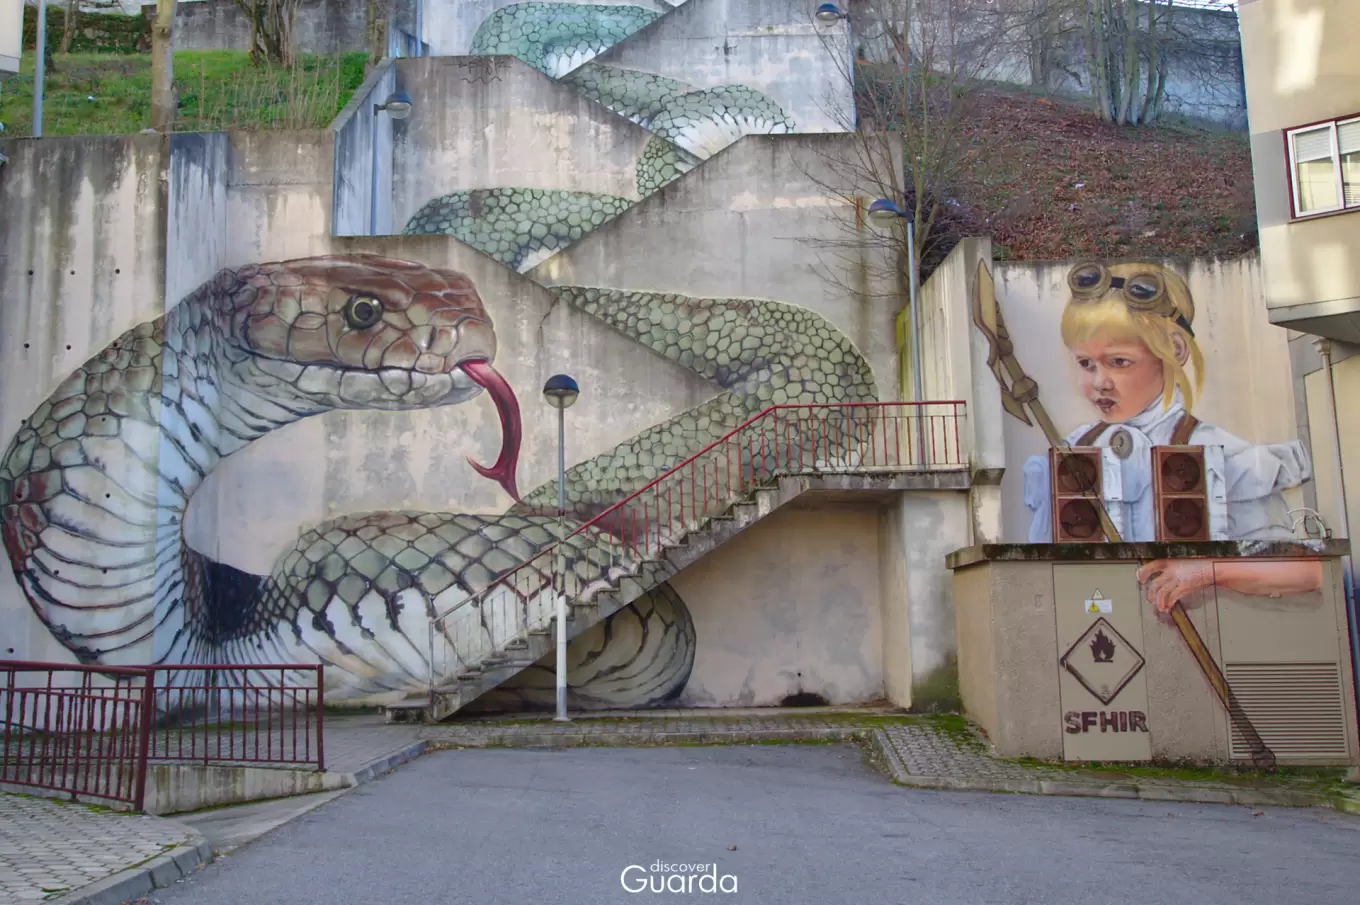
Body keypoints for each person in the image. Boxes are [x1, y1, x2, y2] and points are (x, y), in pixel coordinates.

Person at [1022, 261, 1322, 609]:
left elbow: (1305, 571)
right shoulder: (1069, 455)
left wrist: (1210, 571)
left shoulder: (1218, 451)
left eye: (1119, 362)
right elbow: (1038, 573)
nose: (1100, 382)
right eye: (1086, 364)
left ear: (1175, 351)